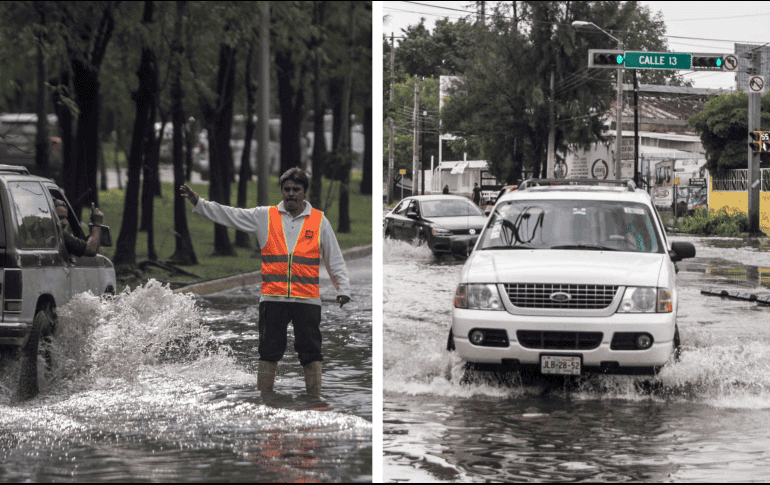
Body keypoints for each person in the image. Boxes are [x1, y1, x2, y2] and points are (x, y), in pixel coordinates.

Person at [180, 168, 350, 397]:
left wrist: (343, 288)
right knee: (268, 352)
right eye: (287, 189)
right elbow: (230, 215)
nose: (291, 194)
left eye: (296, 190)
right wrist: (200, 203)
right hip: (273, 299)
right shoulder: (264, 216)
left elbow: (334, 257)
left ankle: (314, 400)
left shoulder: (320, 221)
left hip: (308, 301)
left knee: (311, 353)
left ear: (304, 193)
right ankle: (265, 399)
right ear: (282, 191)